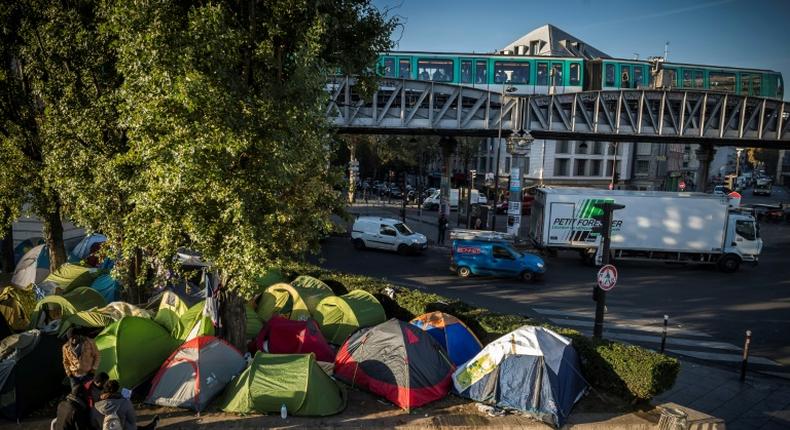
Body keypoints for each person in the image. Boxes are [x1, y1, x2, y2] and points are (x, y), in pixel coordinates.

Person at [93, 380, 159, 430]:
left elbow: (93, 422)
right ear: (117, 388)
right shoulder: (125, 402)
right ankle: (150, 427)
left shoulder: (96, 405)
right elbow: (132, 420)